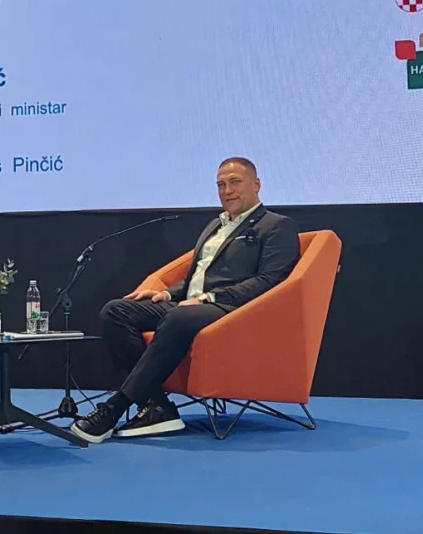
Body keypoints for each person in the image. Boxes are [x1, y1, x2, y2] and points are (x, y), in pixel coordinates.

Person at [72, 157, 301, 444]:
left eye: (235, 182)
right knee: (116, 311)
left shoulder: (276, 225)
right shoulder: (214, 225)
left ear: (256, 185)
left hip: (232, 309)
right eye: (221, 184)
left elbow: (270, 280)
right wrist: (168, 293)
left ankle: (113, 408)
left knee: (178, 316)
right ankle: (158, 406)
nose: (227, 190)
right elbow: (198, 275)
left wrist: (210, 297)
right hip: (191, 305)